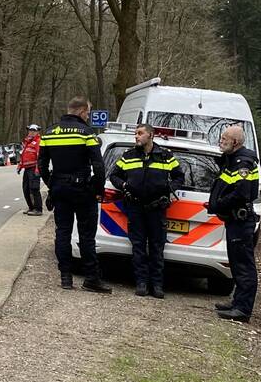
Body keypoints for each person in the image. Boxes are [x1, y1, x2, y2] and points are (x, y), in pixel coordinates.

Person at [38, 97, 112, 293]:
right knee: (86, 235)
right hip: (82, 190)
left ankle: (66, 278)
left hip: (60, 189)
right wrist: (97, 188)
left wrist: (51, 184)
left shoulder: (49, 133)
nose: (88, 116)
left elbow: (42, 165)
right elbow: (98, 165)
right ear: (81, 112)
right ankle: (91, 278)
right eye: (87, 113)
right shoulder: (87, 133)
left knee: (62, 233)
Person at [109, 124, 184, 299]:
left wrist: (169, 189)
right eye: (135, 133)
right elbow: (114, 175)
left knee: (157, 248)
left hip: (157, 208)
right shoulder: (128, 156)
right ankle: (141, 283)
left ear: (151, 135)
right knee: (138, 247)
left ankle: (157, 285)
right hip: (135, 208)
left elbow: (179, 176)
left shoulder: (165, 156)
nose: (136, 136)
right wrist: (124, 185)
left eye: (140, 133)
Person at [207, 124, 260, 323]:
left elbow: (241, 193)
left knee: (244, 266)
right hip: (234, 220)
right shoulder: (231, 161)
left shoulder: (242, 163)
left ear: (235, 142)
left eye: (224, 138)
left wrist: (219, 204)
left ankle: (243, 309)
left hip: (241, 221)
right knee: (237, 266)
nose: (221, 141)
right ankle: (237, 302)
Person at [17, 124, 43, 216]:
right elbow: (23, 155)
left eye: (33, 130)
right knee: (26, 189)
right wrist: (20, 166)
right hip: (27, 169)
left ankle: (38, 209)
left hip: (33, 169)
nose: (31, 132)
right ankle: (31, 207)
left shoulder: (38, 142)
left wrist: (37, 169)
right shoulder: (27, 142)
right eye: (30, 130)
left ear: (37, 132)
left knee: (34, 189)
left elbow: (39, 157)